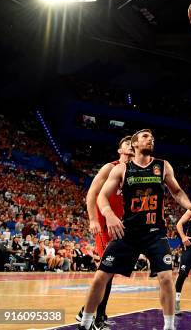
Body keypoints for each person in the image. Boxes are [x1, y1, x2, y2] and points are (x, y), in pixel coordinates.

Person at [77, 129, 191, 330]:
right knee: (101, 276)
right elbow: (100, 196)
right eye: (145, 136)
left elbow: (177, 191)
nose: (150, 139)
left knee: (167, 278)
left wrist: (188, 205)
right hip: (128, 232)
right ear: (134, 144)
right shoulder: (120, 169)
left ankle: (169, 327)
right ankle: (85, 323)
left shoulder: (162, 166)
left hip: (155, 233)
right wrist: (108, 215)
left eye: (152, 137)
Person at [76, 136, 133, 329]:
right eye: (127, 144)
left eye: (133, 144)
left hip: (121, 227)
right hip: (104, 224)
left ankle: (86, 311)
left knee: (110, 272)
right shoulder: (110, 167)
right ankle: (97, 317)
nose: (131, 146)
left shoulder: (134, 173)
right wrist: (93, 220)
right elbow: (92, 193)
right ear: (119, 150)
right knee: (106, 271)